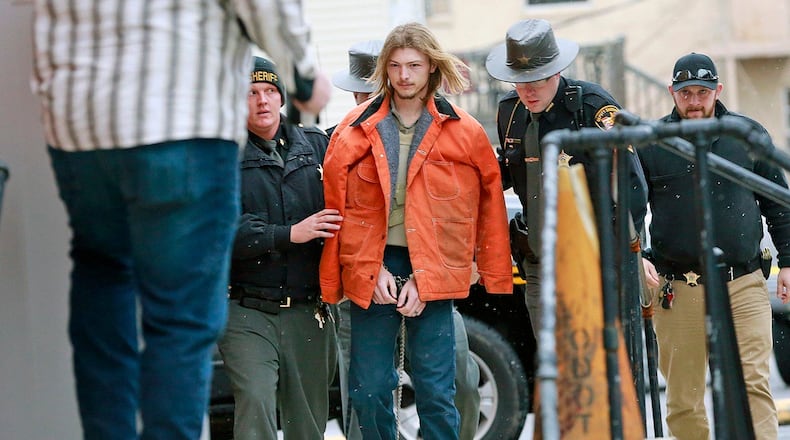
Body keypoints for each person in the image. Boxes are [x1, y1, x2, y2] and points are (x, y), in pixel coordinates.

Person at [30, 1, 329, 438]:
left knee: (103, 274)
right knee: (179, 312)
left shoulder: (309, 146)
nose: (263, 100)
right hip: (178, 118)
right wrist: (303, 74)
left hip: (80, 118)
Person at [319, 22, 513, 440]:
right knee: (368, 391)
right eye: (395, 66)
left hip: (436, 269)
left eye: (414, 65)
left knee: (439, 392)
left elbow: (482, 210)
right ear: (384, 70)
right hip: (375, 266)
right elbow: (341, 213)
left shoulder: (466, 133)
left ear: (431, 68)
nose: (404, 75)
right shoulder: (353, 131)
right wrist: (366, 270)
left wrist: (436, 280)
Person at [640, 52, 790, 440]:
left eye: (702, 92)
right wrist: (636, 255)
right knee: (684, 397)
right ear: (672, 92)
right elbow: (628, 206)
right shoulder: (652, 143)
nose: (694, 100)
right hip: (678, 286)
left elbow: (777, 201)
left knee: (752, 385)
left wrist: (789, 261)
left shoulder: (745, 135)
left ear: (717, 91)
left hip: (744, 282)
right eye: (685, 92)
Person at [485, 18, 648, 335]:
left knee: (604, 365)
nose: (528, 90)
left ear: (557, 71)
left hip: (594, 258)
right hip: (539, 261)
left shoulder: (591, 107)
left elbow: (632, 185)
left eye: (538, 79)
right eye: (519, 81)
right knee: (556, 367)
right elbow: (506, 172)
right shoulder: (510, 111)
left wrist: (625, 255)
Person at [217, 57, 341, 439]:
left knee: (308, 419)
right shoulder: (221, 157)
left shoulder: (316, 147)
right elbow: (222, 230)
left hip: (309, 309)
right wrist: (289, 234)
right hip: (247, 309)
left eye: (270, 91)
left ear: (282, 97)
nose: (262, 101)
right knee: (255, 400)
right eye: (250, 93)